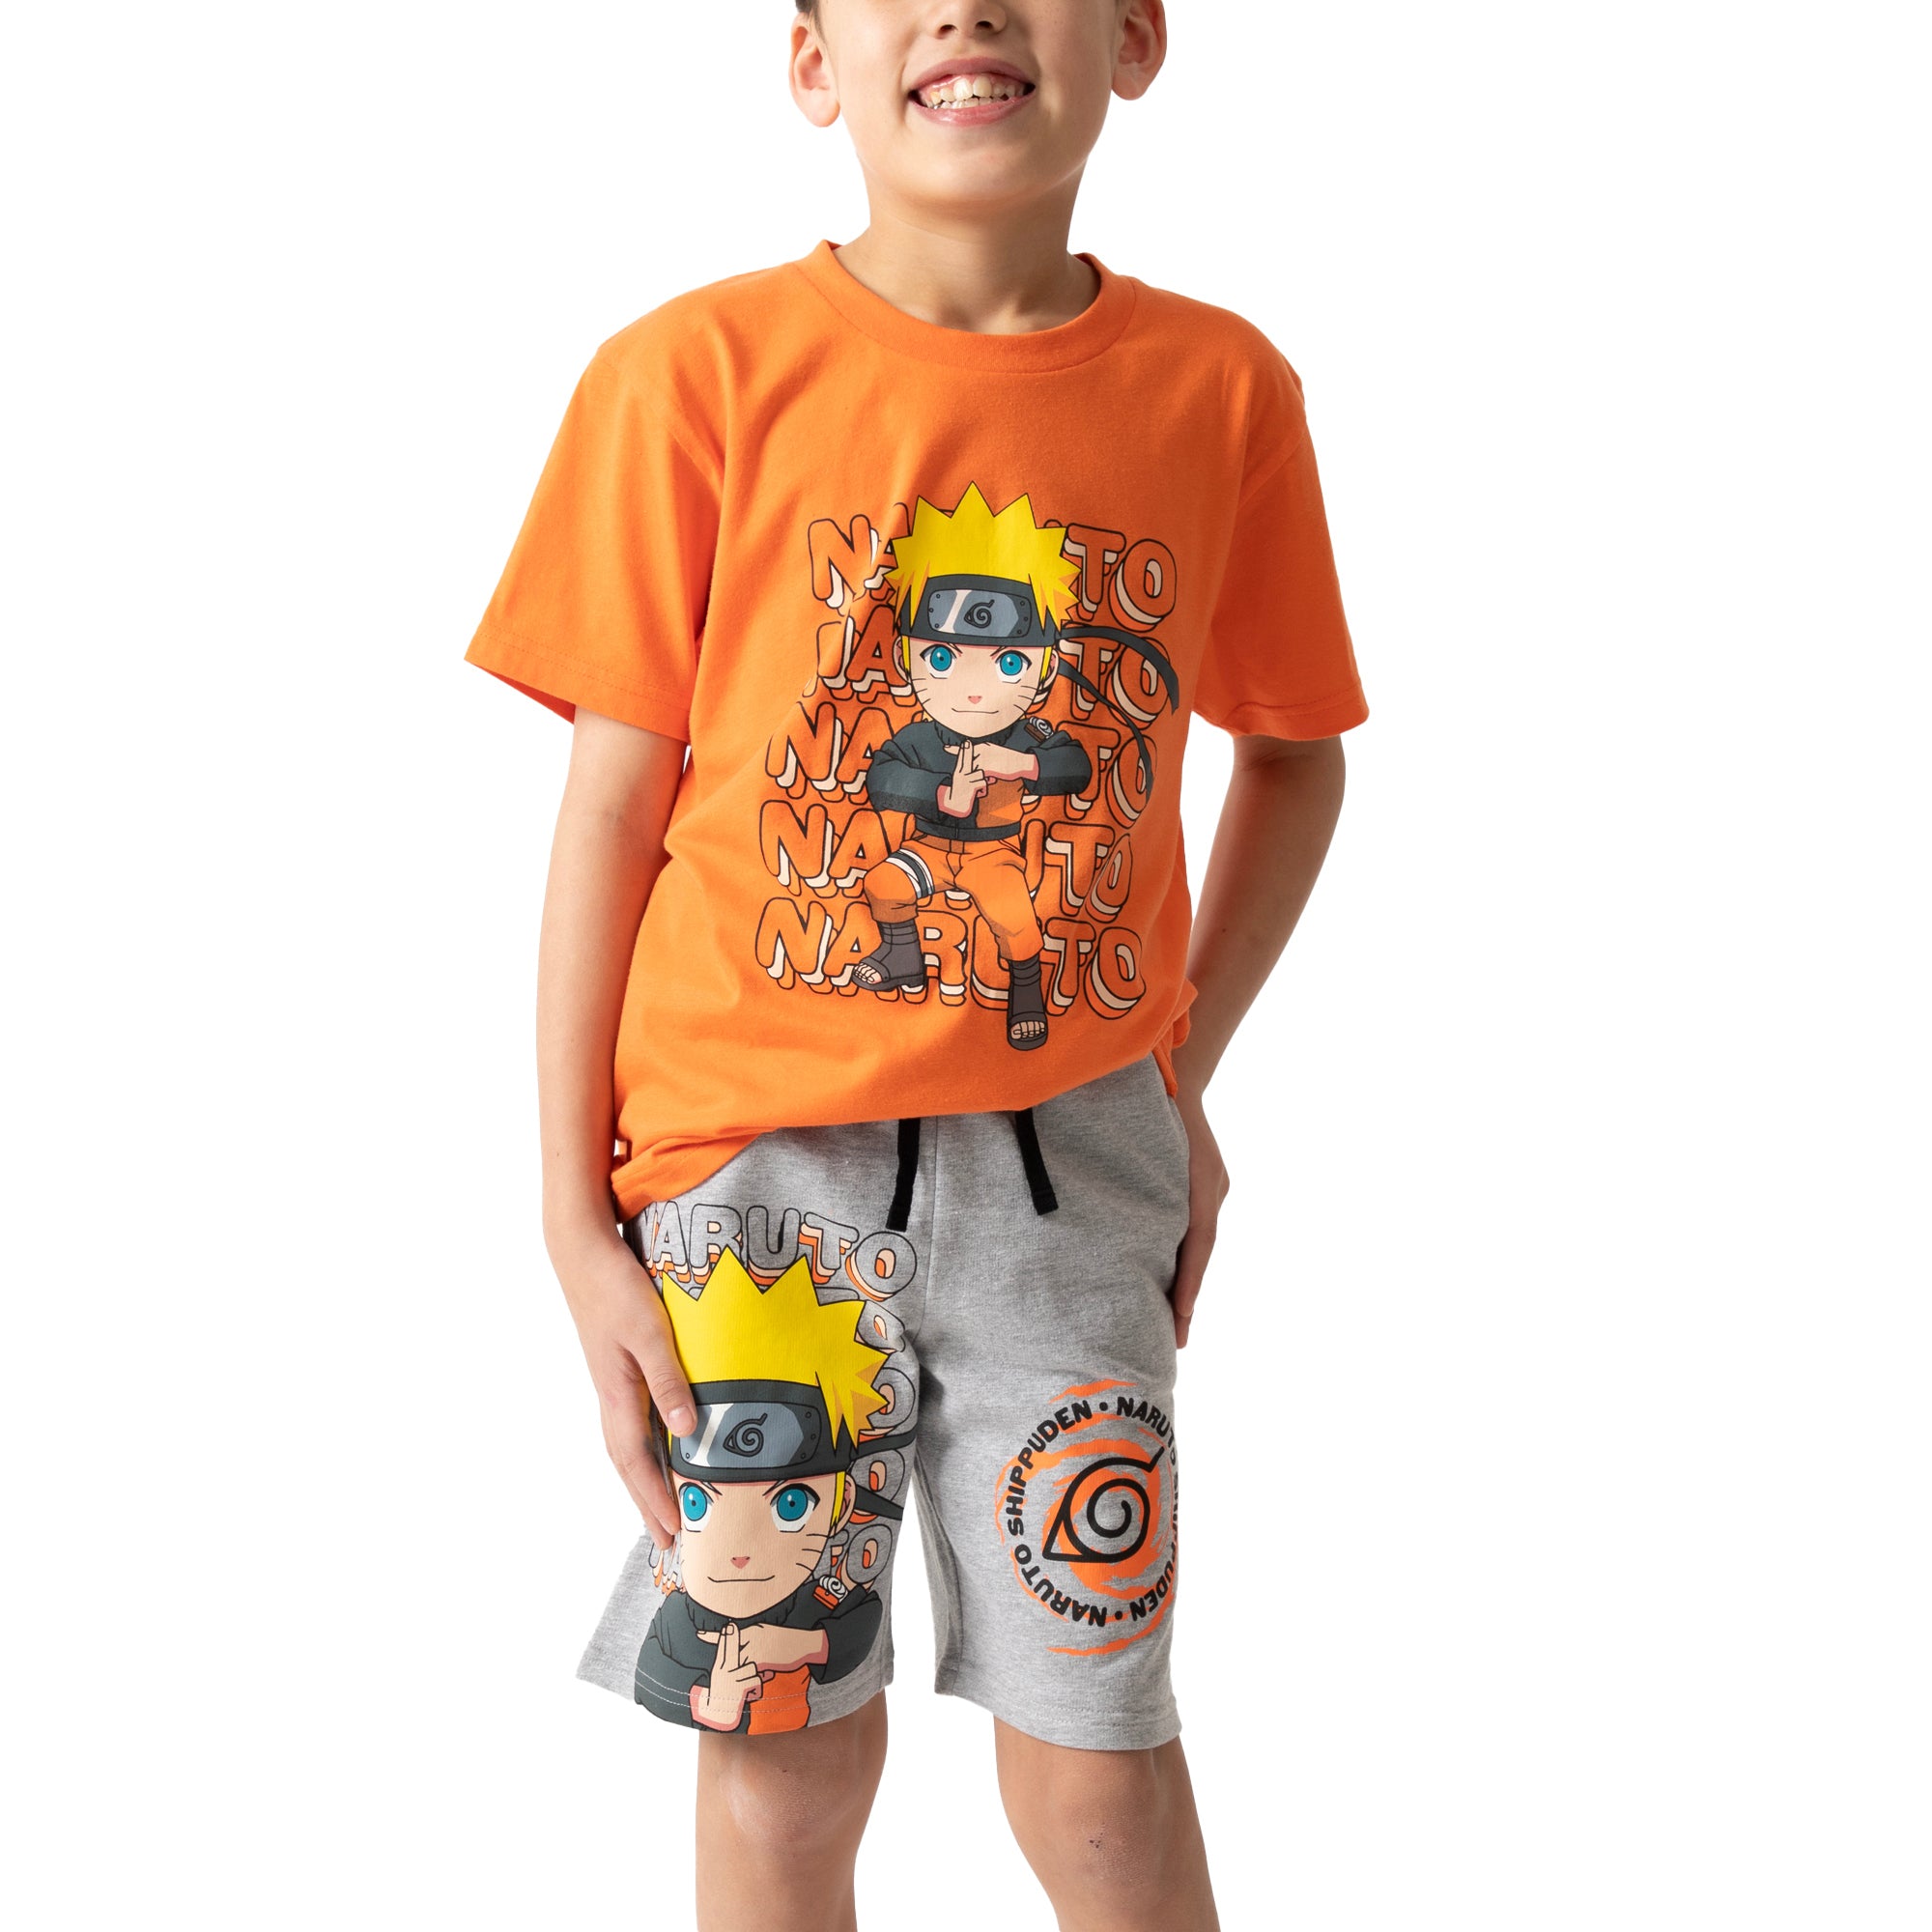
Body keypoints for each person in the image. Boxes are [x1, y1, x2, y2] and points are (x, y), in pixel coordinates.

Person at [466, 4, 1366, 1926]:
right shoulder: (691, 374)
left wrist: (1177, 1072)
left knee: (1099, 1753)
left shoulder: (1219, 392)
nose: (962, 7)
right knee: (778, 1743)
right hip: (753, 1202)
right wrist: (568, 1218)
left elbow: (1294, 755)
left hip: (1073, 1183)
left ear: (1135, 37)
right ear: (813, 64)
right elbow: (609, 812)